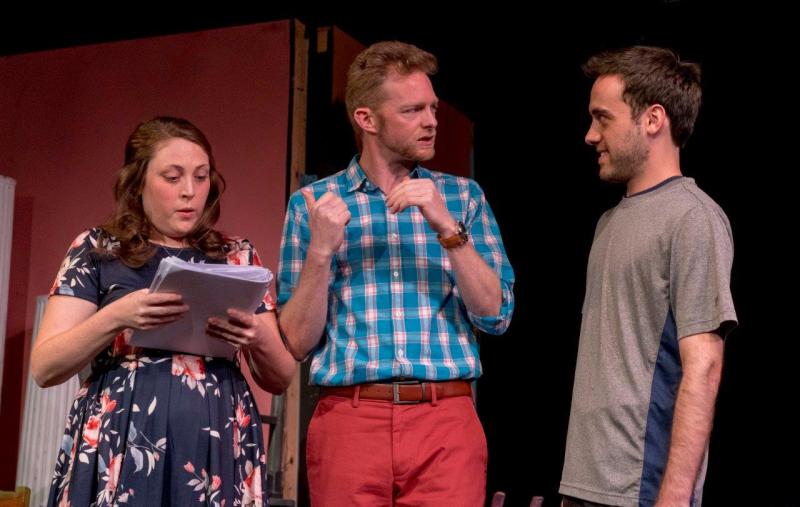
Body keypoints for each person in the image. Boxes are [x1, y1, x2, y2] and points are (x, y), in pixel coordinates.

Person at [277, 41, 515, 506]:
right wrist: (321, 252)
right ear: (367, 119)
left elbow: (497, 314)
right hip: (350, 417)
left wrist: (447, 227)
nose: (431, 121)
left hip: (444, 417)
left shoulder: (463, 198)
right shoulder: (313, 206)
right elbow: (295, 342)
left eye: (432, 108)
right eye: (413, 110)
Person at [30, 116, 296, 506]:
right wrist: (117, 316)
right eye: (173, 178)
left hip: (215, 442)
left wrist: (254, 337)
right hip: (122, 438)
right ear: (137, 184)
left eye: (201, 177)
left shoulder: (236, 255)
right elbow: (44, 367)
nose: (190, 191)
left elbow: (282, 376)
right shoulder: (99, 249)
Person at [559, 46, 738, 507]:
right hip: (585, 483)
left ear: (653, 120)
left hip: (641, 490)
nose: (590, 135)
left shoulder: (693, 218)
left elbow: (705, 365)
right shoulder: (609, 222)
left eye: (603, 119)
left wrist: (674, 498)